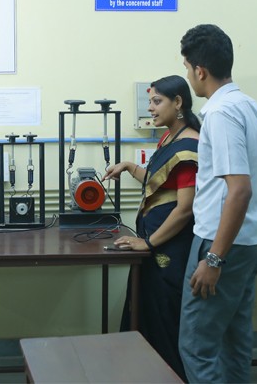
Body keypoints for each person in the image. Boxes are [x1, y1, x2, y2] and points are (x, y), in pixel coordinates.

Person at [177, 24, 257, 383]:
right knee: (235, 341)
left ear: (199, 70)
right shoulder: (253, 107)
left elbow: (240, 190)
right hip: (251, 241)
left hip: (222, 245)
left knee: (197, 346)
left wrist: (213, 259)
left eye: (188, 68)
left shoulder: (219, 114)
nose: (189, 76)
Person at [102, 75, 199, 381]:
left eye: (157, 102)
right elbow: (159, 185)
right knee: (145, 319)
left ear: (178, 103)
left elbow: (185, 208)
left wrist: (149, 243)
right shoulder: (169, 138)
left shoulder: (190, 146)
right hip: (156, 245)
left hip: (170, 251)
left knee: (165, 326)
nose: (151, 109)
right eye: (150, 102)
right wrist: (130, 167)